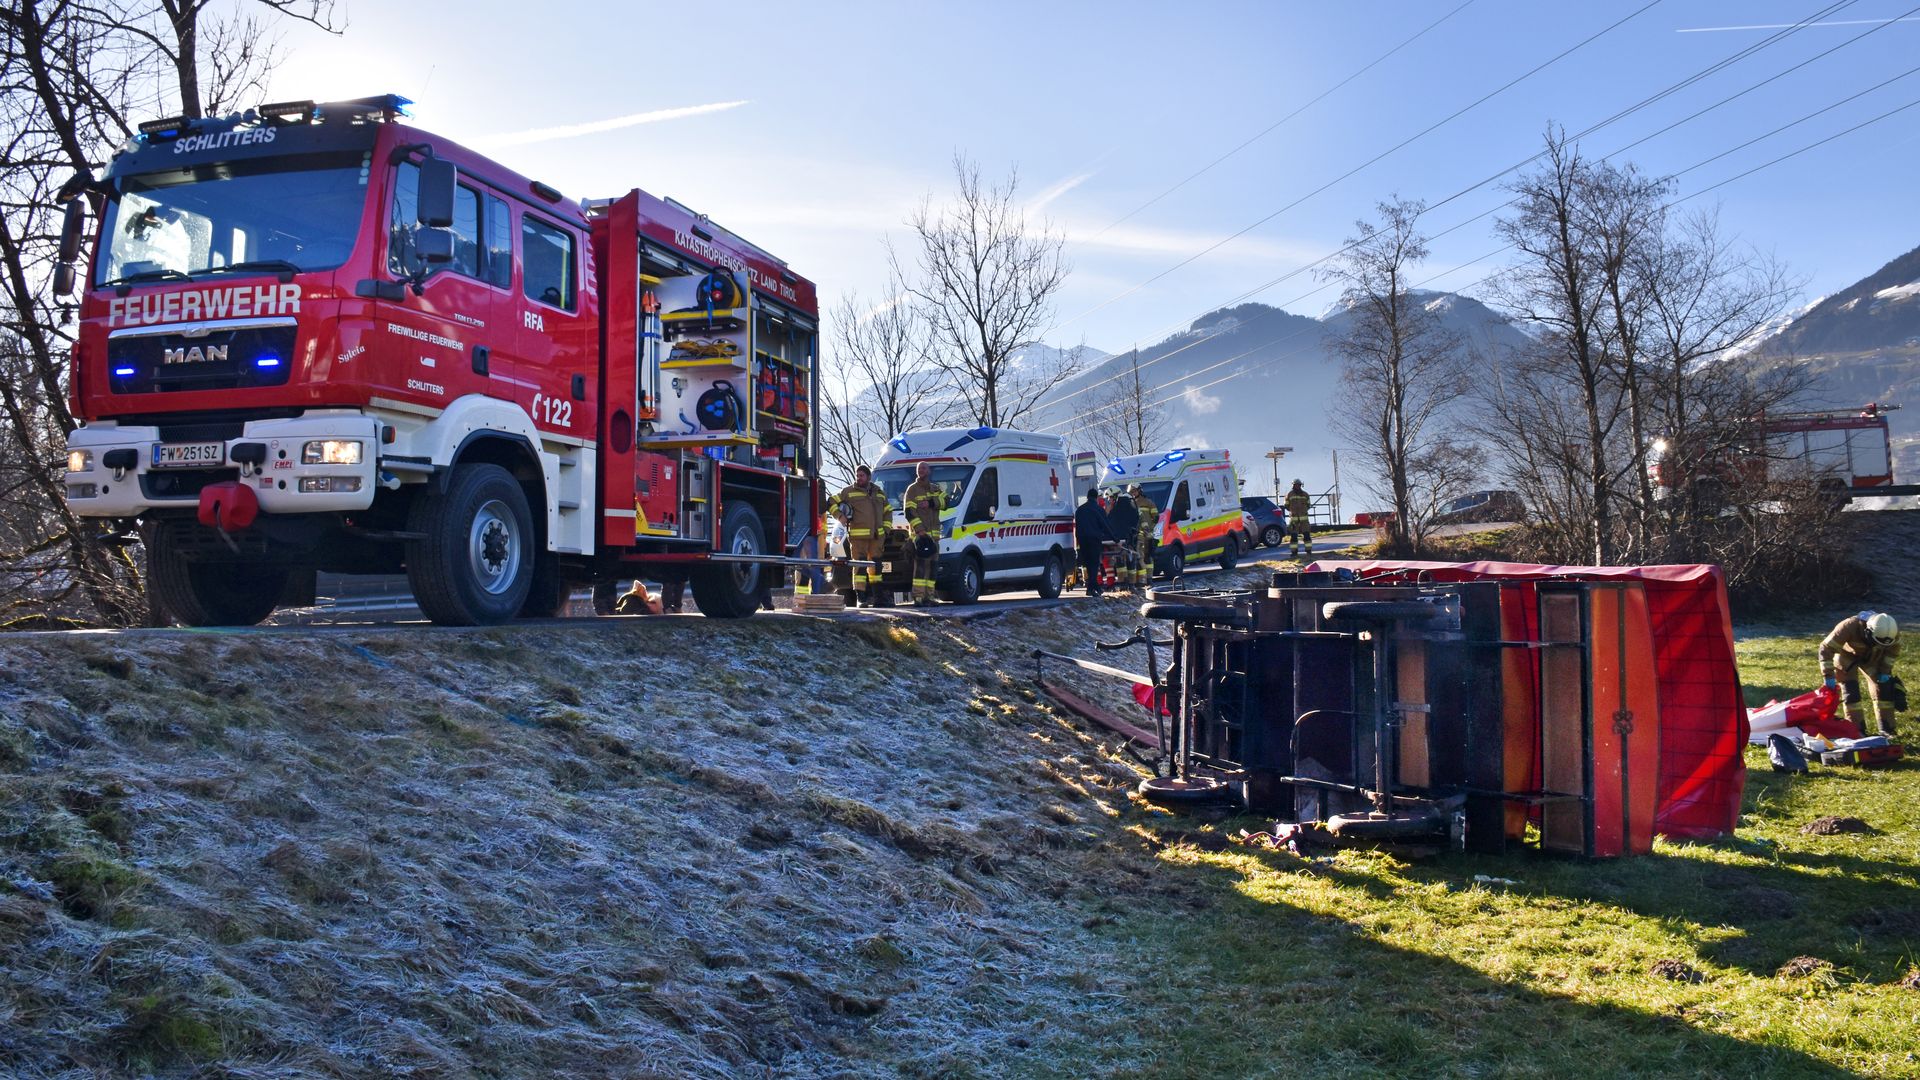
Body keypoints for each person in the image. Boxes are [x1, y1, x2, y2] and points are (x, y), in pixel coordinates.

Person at [1819, 611, 1900, 736]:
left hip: (1872, 657)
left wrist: (1884, 671)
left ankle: (1887, 728)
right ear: (1868, 631)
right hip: (1846, 657)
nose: (1879, 644)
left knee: (1884, 690)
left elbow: (1892, 653)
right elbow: (1825, 648)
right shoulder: (1849, 626)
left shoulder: (1892, 634)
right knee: (1851, 692)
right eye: (1877, 641)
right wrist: (1828, 676)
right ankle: (1857, 730)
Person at [828, 464, 890, 607]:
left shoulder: (879, 492)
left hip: (876, 538)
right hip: (858, 538)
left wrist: (886, 529)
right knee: (859, 567)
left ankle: (878, 598)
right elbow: (831, 501)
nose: (859, 478)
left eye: (862, 475)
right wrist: (839, 516)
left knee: (876, 568)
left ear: (868, 477)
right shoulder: (848, 492)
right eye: (857, 475)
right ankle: (861, 599)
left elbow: (888, 511)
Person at [902, 462, 946, 607]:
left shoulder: (935, 488)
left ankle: (930, 596)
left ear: (929, 471)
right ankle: (918, 597)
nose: (921, 470)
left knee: (933, 568)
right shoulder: (912, 490)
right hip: (921, 536)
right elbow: (909, 512)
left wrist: (931, 503)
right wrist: (920, 530)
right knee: (920, 567)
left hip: (934, 537)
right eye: (918, 469)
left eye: (923, 468)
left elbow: (946, 501)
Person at [1074, 486, 1118, 596]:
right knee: (1094, 564)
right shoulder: (1098, 509)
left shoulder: (1080, 510)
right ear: (1096, 498)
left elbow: (1077, 526)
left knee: (1088, 564)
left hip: (1082, 540)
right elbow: (1105, 525)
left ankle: (1093, 587)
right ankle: (1092, 588)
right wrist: (1114, 538)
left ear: (1087, 497)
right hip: (1094, 540)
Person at [1104, 486, 1139, 587]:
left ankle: (1130, 583)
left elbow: (1131, 520)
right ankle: (1124, 583)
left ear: (1116, 496)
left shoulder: (1124, 505)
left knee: (1128, 560)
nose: (1109, 500)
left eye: (1110, 497)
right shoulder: (1116, 506)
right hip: (1120, 538)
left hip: (1127, 538)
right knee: (1121, 561)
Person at [1132, 484, 1159, 584]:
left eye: (1134, 491)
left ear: (1139, 490)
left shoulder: (1148, 502)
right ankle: (1144, 579)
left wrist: (1150, 528)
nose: (1133, 493)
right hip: (1138, 534)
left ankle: (1149, 578)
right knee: (1140, 557)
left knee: (1148, 556)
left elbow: (1156, 517)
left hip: (1147, 533)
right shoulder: (1132, 503)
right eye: (1132, 492)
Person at [1285, 479, 1314, 559]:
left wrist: (1302, 512)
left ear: (1300, 485)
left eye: (1298, 485)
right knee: (1294, 537)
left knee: (1307, 536)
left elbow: (1308, 505)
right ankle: (1294, 553)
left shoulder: (1305, 495)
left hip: (1304, 520)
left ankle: (1308, 551)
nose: (1297, 486)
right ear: (1293, 485)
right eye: (1296, 485)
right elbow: (1287, 505)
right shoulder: (1289, 495)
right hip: (1294, 520)